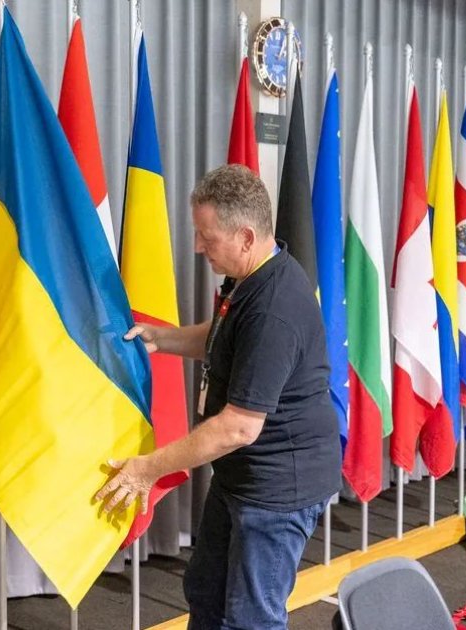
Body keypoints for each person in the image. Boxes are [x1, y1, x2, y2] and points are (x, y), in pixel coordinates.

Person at [96, 164, 341, 630]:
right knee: (206, 592)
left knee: (251, 618)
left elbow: (239, 427)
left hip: (276, 488)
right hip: (240, 477)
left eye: (207, 237)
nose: (197, 247)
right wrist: (161, 339)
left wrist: (146, 469)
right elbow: (224, 334)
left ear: (246, 237)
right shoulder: (251, 275)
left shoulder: (274, 309)